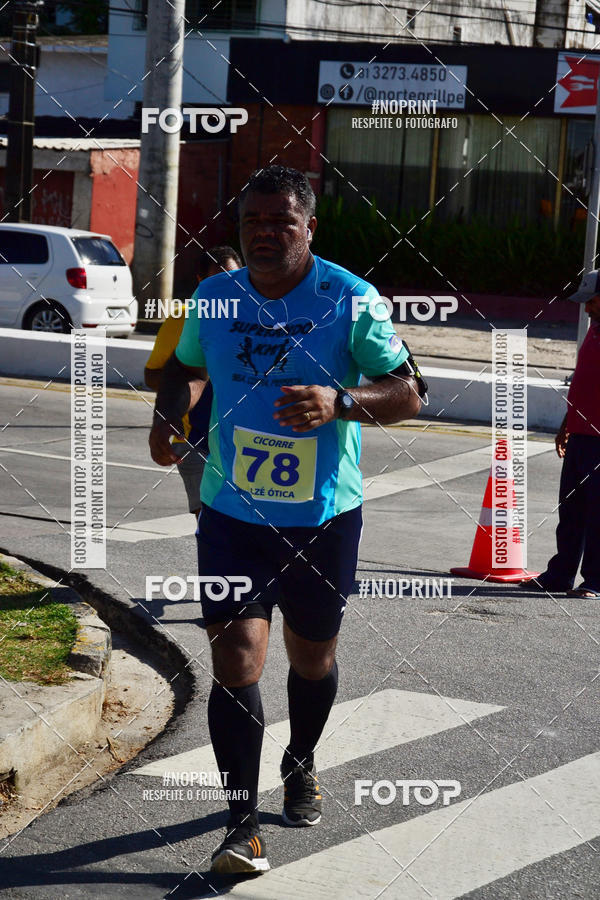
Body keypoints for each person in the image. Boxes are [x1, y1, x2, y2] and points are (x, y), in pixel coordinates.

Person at [149, 165, 425, 876]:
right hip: (231, 510)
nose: (267, 234)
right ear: (240, 232)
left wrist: (342, 402)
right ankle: (242, 826)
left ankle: (300, 760)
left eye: (282, 222)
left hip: (322, 517)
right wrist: (169, 412)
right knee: (236, 656)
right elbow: (180, 369)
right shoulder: (215, 296)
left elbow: (411, 391)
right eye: (253, 224)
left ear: (309, 228)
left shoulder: (350, 300)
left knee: (312, 658)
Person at [144, 246, 242, 518]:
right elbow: (151, 374)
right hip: (193, 441)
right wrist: (189, 376)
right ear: (200, 281)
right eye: (216, 280)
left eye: (233, 279)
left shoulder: (253, 318)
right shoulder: (182, 318)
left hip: (241, 441)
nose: (226, 288)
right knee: (207, 523)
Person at [521, 270, 600, 598]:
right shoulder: (594, 332)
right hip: (581, 435)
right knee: (571, 510)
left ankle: (596, 581)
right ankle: (560, 574)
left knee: (598, 514)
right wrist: (566, 425)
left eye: (592, 302)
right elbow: (584, 384)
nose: (586, 309)